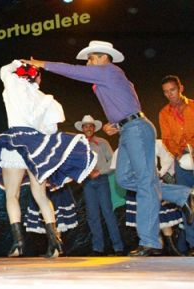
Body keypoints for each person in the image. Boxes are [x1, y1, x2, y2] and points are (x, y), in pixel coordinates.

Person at [23, 40, 194, 256]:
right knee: (124, 179)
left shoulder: (110, 71)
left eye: (91, 58)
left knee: (145, 184)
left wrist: (42, 63)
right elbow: (127, 100)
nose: (88, 62)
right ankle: (183, 194)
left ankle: (150, 242)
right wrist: (117, 123)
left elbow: (72, 71)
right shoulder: (108, 78)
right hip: (128, 130)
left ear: (103, 57)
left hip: (137, 130)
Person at [0, 60, 97, 258]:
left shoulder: (13, 86)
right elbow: (50, 129)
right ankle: (56, 243)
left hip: (14, 145)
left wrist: (19, 62)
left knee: (12, 195)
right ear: (38, 78)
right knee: (41, 196)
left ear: (20, 74)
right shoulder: (46, 99)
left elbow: (3, 69)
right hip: (36, 147)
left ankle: (18, 244)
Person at [112, 140, 184, 256]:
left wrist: (162, 173)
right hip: (136, 186)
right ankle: (153, 250)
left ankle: (171, 250)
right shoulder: (124, 146)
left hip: (153, 182)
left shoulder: (156, 143)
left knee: (162, 218)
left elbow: (168, 157)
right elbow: (118, 167)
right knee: (143, 219)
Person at [75, 115, 124, 256]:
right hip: (87, 183)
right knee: (92, 215)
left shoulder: (102, 142)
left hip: (102, 180)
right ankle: (98, 248)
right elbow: (75, 163)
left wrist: (100, 171)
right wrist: (85, 173)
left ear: (94, 128)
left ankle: (118, 247)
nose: (88, 128)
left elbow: (113, 160)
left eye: (90, 125)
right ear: (82, 129)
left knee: (108, 213)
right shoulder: (78, 144)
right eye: (86, 126)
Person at [158, 75, 194, 255]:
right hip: (181, 161)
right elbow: (166, 139)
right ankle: (193, 244)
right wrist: (180, 154)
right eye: (166, 92)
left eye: (172, 90)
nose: (169, 94)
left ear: (181, 88)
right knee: (186, 202)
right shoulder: (164, 113)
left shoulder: (193, 106)